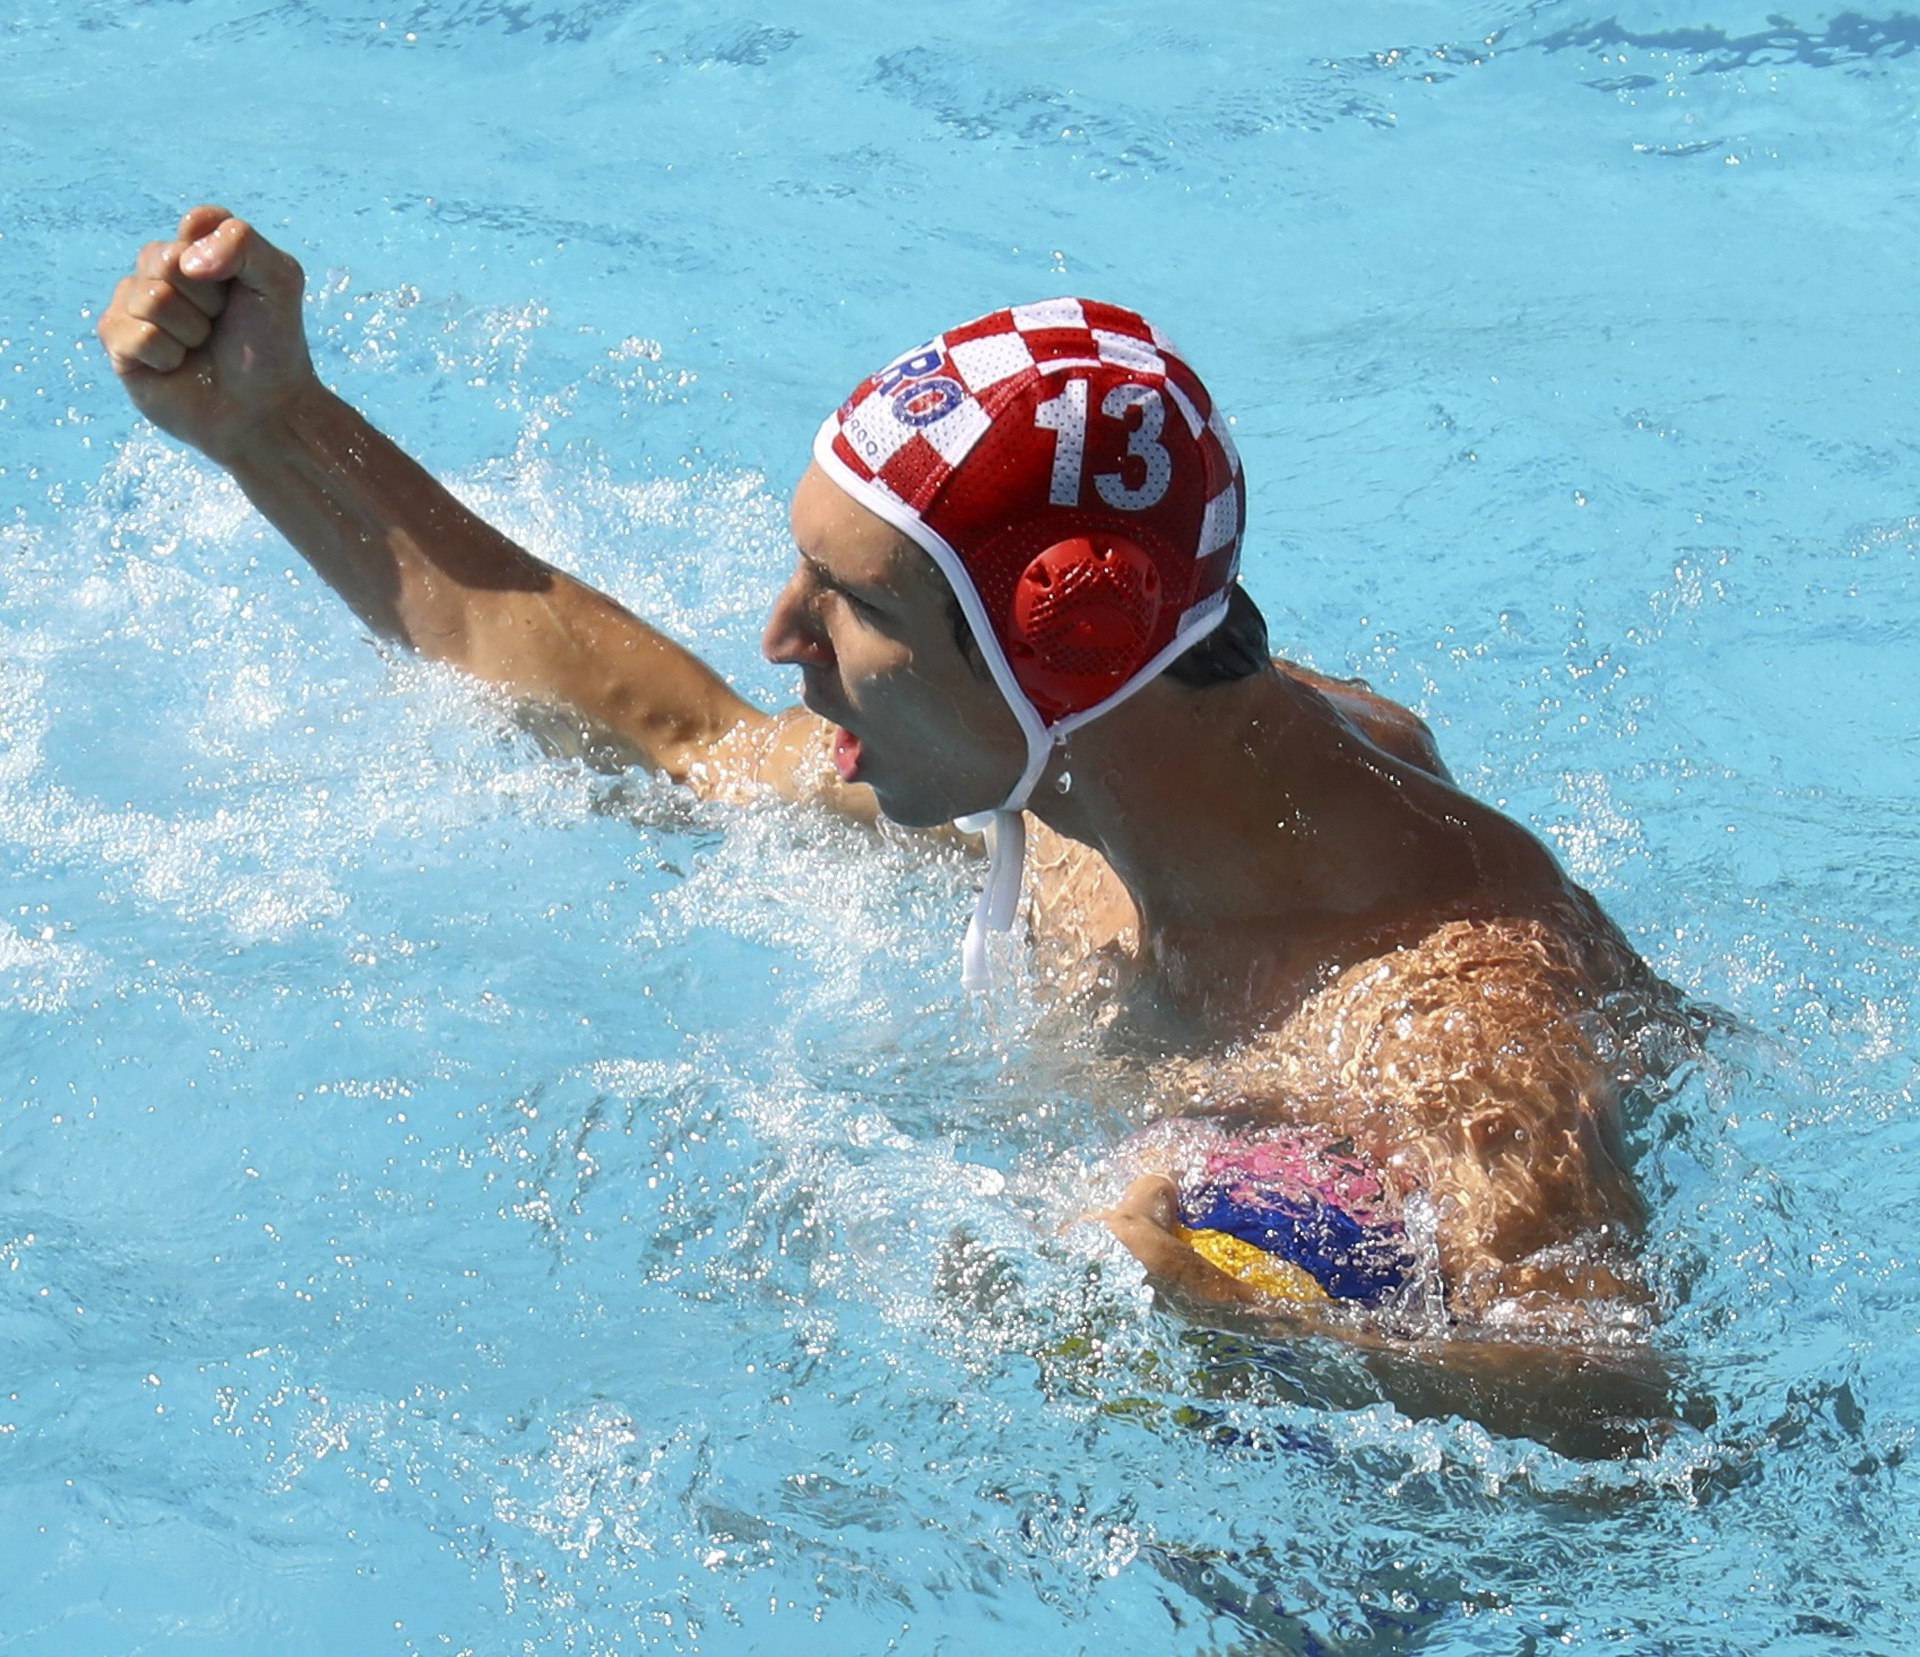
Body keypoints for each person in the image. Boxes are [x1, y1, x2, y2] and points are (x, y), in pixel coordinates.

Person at [96, 206, 1684, 1414]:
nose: (779, 637)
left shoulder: (1442, 1010)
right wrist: (272, 428)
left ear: (1053, 651)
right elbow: (681, 737)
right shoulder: (1086, 778)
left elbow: (1616, 1408)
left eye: (845, 607)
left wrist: (1257, 1325)